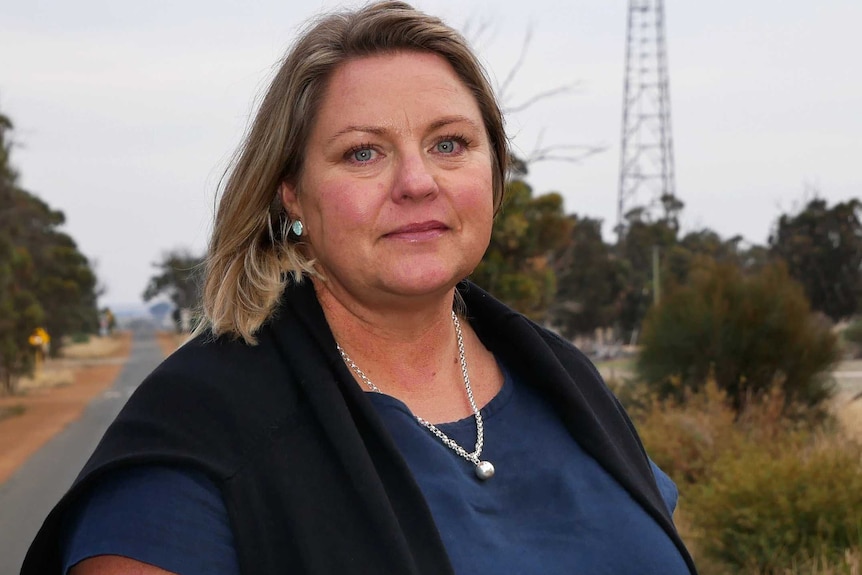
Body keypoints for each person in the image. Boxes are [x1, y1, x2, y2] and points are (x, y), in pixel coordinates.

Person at [23, 2, 698, 574]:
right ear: (291, 194)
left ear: (493, 173)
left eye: (450, 143)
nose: (416, 182)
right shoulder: (207, 428)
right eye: (363, 152)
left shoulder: (565, 382)